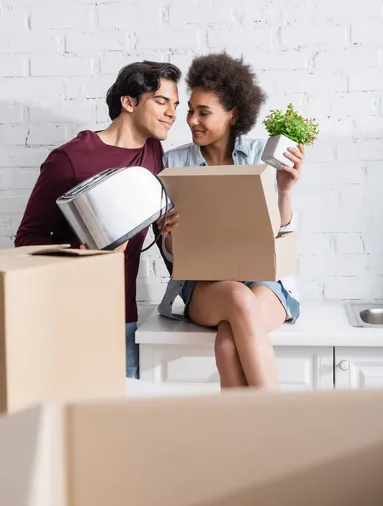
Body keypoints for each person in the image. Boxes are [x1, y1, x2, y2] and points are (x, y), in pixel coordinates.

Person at [15, 61, 181, 379]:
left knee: (122, 424)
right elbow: (26, 238)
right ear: (129, 101)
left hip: (122, 320)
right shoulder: (69, 159)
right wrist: (83, 256)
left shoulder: (155, 154)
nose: (172, 113)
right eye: (161, 101)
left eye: (175, 104)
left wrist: (172, 237)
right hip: (66, 317)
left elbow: (165, 242)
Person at [157, 52, 304, 390]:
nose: (192, 119)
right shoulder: (173, 162)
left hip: (262, 281)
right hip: (206, 287)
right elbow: (171, 255)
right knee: (237, 298)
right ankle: (284, 427)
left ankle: (245, 440)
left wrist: (284, 191)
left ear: (232, 114)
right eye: (190, 110)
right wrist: (169, 235)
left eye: (203, 112)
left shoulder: (260, 156)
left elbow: (282, 234)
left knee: (227, 344)